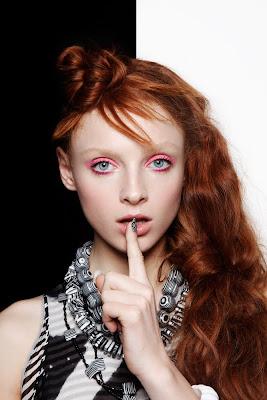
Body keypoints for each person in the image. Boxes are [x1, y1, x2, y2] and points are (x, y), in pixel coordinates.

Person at [0, 44, 266, 400]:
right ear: (67, 170)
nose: (133, 192)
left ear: (187, 167)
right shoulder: (19, 336)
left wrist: (155, 366)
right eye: (103, 165)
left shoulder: (250, 316)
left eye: (158, 162)